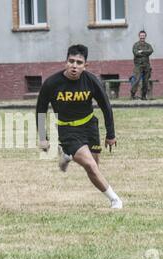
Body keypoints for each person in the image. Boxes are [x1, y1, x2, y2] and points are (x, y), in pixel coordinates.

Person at [36, 44, 123, 209]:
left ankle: (67, 155)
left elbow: (106, 106)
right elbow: (41, 109)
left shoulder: (91, 81)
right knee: (90, 165)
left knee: (94, 167)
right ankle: (115, 200)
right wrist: (42, 137)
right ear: (65, 62)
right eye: (71, 61)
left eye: (79, 62)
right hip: (67, 129)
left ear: (85, 65)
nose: (74, 66)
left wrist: (111, 134)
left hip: (89, 126)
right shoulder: (52, 83)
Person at [130, 30, 153, 100]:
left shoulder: (148, 45)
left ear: (145, 36)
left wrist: (142, 51)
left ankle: (143, 96)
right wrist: (145, 53)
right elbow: (136, 53)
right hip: (138, 66)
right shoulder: (136, 45)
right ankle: (133, 94)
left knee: (145, 82)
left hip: (146, 66)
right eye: (141, 35)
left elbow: (151, 51)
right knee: (137, 80)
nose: (142, 37)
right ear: (139, 36)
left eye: (143, 35)